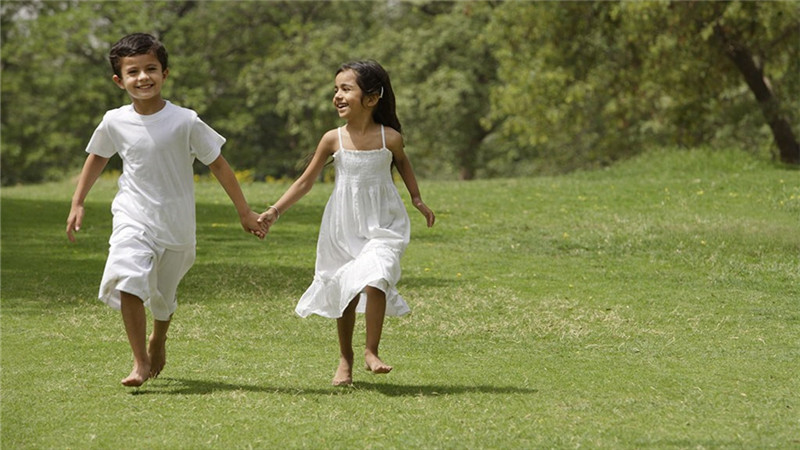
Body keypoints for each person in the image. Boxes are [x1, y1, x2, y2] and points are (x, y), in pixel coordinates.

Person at [65, 33, 267, 387]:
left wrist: (244, 212)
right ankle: (139, 360)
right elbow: (97, 156)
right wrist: (78, 201)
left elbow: (218, 165)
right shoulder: (114, 121)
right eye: (133, 72)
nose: (143, 77)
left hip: (176, 224)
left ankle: (159, 336)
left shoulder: (185, 120)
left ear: (165, 73)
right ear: (119, 80)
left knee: (163, 295)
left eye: (151, 69)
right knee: (127, 278)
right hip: (132, 214)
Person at [258, 60, 435, 386]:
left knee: (378, 274)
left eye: (346, 89)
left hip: (383, 223)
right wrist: (274, 211)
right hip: (342, 225)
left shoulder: (390, 138)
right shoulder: (332, 139)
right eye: (336, 90)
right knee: (346, 289)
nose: (337, 96)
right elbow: (304, 182)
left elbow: (404, 165)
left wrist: (417, 199)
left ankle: (371, 351)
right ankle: (345, 359)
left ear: (371, 98)